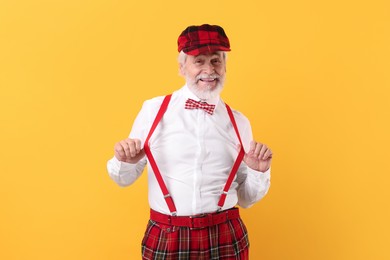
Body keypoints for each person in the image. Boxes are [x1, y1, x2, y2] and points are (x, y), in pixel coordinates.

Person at [107, 24, 272, 260]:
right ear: (181, 67)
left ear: (225, 66)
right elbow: (122, 179)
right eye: (199, 61)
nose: (209, 69)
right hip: (168, 235)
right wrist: (124, 161)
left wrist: (259, 172)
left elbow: (246, 199)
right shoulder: (154, 111)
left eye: (216, 60)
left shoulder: (240, 123)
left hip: (225, 234)